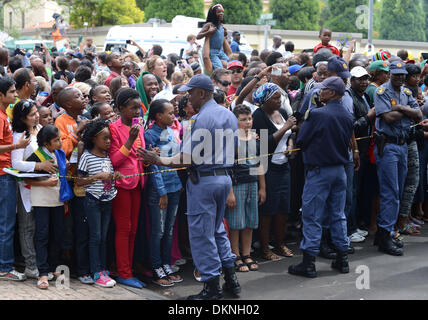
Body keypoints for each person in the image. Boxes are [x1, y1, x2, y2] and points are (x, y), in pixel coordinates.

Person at [137, 74, 241, 300]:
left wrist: (158, 160)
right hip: (223, 177)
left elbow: (186, 159)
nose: (188, 97)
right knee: (217, 230)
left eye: (190, 93)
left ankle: (212, 288)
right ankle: (231, 280)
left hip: (204, 180)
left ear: (202, 93)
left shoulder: (201, 119)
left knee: (203, 235)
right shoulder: (228, 114)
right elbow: (234, 150)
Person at [288, 77, 354, 278]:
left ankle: (308, 263)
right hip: (339, 170)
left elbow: (302, 139)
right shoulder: (347, 114)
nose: (320, 92)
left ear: (332, 93)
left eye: (324, 89)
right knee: (338, 214)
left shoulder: (317, 114)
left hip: (319, 171)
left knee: (312, 216)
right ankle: (342, 258)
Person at [373, 60, 422, 256]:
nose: (401, 77)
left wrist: (400, 109)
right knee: (390, 192)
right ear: (389, 73)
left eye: (403, 74)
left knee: (398, 191)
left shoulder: (406, 93)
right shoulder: (382, 92)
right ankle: (386, 234)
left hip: (402, 145)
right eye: (396, 74)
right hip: (388, 145)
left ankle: (385, 232)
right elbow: (387, 118)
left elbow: (418, 115)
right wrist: (404, 110)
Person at [11, 99, 57, 280]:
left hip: (44, 186)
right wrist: (39, 166)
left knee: (41, 228)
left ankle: (40, 265)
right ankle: (30, 266)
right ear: (22, 118)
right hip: (27, 186)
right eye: (32, 115)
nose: (36, 116)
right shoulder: (19, 136)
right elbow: (16, 163)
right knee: (27, 227)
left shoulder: (39, 131)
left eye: (36, 112)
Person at [252, 83, 297, 261]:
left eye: (280, 97)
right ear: (265, 100)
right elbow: (263, 145)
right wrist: (286, 127)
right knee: (268, 210)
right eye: (275, 98)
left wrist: (291, 145)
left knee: (282, 209)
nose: (280, 101)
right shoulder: (259, 116)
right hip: (267, 169)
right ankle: (265, 247)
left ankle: (280, 243)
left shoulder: (283, 113)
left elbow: (290, 135)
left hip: (284, 166)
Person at [25, 125, 72, 289]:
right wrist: (46, 182)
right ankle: (43, 272)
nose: (60, 142)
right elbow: (24, 179)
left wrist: (65, 201)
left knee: (57, 234)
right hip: (42, 201)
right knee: (42, 235)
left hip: (58, 200)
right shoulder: (36, 155)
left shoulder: (59, 153)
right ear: (46, 142)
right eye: (56, 140)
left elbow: (63, 177)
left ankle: (54, 267)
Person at [109, 88, 146, 289]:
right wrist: (130, 140)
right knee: (124, 229)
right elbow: (114, 160)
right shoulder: (113, 128)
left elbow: (139, 155)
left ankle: (128, 269)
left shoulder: (139, 127)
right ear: (121, 108)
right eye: (132, 108)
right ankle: (124, 272)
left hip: (138, 182)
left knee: (133, 230)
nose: (137, 112)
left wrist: (149, 155)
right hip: (122, 185)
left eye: (138, 108)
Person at [77, 119, 121, 288]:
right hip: (92, 201)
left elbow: (108, 176)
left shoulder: (108, 156)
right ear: (94, 139)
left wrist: (115, 175)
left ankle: (102, 268)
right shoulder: (87, 156)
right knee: (95, 236)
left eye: (109, 138)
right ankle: (96, 271)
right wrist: (97, 177)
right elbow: (79, 181)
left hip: (107, 199)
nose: (108, 141)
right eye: (105, 138)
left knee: (103, 236)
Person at [144, 99, 183, 287]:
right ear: (158, 116)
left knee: (169, 230)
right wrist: (162, 192)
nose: (173, 116)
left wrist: (177, 183)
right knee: (158, 231)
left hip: (174, 187)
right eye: (169, 113)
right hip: (160, 191)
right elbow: (153, 167)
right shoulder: (150, 135)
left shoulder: (170, 132)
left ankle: (166, 263)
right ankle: (156, 266)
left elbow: (176, 159)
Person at [226, 104, 265, 272]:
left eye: (249, 119)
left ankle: (246, 253)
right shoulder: (231, 140)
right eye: (243, 120)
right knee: (236, 222)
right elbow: (226, 168)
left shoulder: (256, 138)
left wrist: (262, 187)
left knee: (249, 222)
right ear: (235, 122)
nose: (247, 122)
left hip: (252, 183)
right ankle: (235, 254)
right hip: (237, 184)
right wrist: (230, 192)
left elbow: (260, 163)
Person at [0, 76, 29, 281]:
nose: (16, 95)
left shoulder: (4, 114)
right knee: (6, 223)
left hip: (6, 175)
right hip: (3, 175)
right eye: (11, 92)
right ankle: (5, 267)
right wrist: (16, 147)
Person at [197, 4, 230, 70]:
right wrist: (208, 32)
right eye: (219, 12)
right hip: (213, 53)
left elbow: (222, 37)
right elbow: (198, 36)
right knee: (220, 69)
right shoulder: (209, 25)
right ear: (213, 14)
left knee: (231, 64)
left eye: (222, 12)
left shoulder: (221, 25)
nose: (221, 14)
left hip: (220, 51)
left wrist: (225, 33)